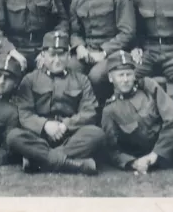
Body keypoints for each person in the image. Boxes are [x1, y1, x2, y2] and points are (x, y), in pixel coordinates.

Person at [6, 31, 106, 175]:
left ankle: (37, 160)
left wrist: (66, 125)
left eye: (62, 54)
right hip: (40, 137)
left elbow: (89, 111)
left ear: (68, 56)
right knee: (13, 136)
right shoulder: (30, 79)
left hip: (70, 136)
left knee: (97, 134)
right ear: (43, 55)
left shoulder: (81, 79)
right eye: (52, 55)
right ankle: (74, 165)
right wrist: (45, 125)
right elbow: (24, 113)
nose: (57, 60)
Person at [69, 0, 135, 110]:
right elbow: (75, 31)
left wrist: (103, 52)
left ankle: (100, 114)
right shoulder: (78, 0)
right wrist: (79, 47)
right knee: (70, 69)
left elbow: (127, 32)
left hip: (112, 52)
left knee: (96, 77)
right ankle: (77, 114)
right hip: (88, 51)